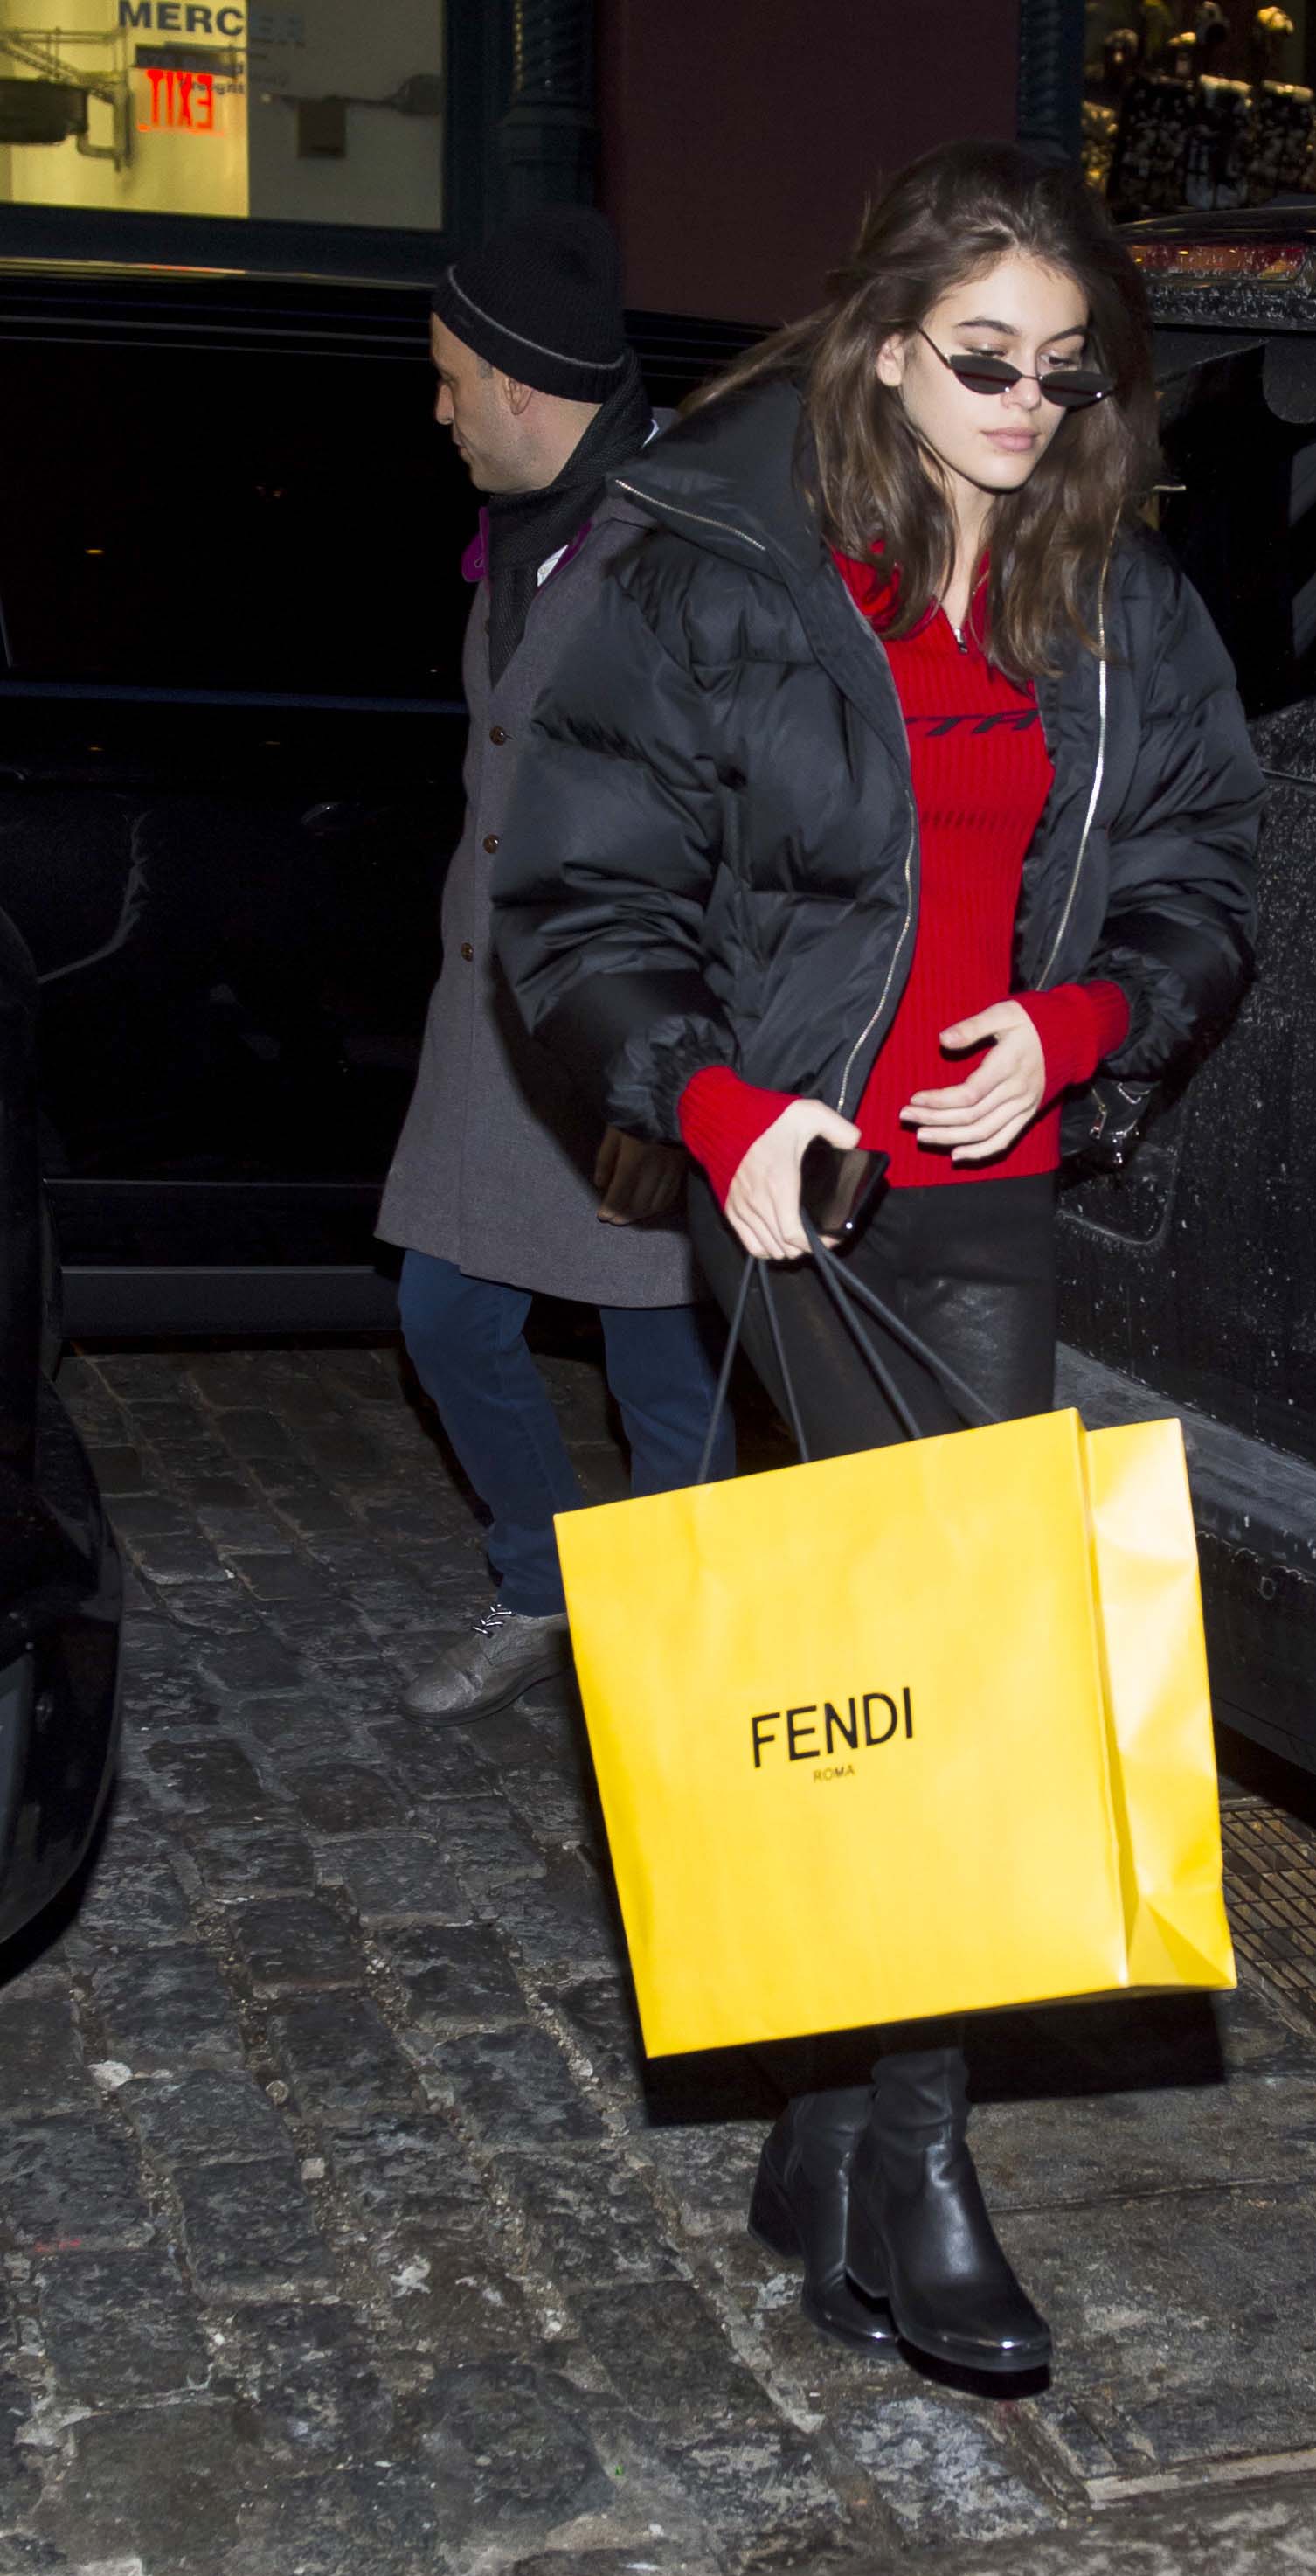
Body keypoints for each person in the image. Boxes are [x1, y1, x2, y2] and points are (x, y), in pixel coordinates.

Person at [492, 145, 1262, 2374]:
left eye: (1068, 366)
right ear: (881, 337)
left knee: (931, 1657)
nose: (1031, 402)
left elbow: (1207, 858)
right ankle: (916, 2171)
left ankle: (827, 2129)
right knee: (951, 1650)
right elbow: (578, 901)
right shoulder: (723, 563)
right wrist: (718, 1110)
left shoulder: (1111, 580)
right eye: (984, 360)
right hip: (802, 1189)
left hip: (991, 1179)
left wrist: (1078, 1024)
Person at [377, 206, 730, 1727]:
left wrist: (673, 1084)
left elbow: (747, 838)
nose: (439, 407)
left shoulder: (695, 552)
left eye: (453, 380)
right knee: (446, 1318)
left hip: (635, 1036)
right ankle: (539, 1578)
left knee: (663, 1380)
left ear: (526, 386)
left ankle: (674, 1671)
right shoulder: (530, 529)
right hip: (495, 1031)